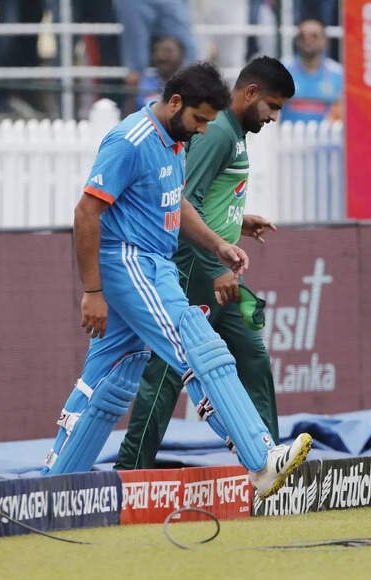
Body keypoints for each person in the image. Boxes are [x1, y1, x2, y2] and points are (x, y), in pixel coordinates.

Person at [41, 62, 311, 501]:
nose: (204, 130)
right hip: (132, 262)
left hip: (156, 264)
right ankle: (261, 460)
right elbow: (86, 212)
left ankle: (50, 489)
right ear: (175, 102)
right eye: (200, 119)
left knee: (111, 381)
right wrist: (91, 292)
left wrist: (218, 245)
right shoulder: (131, 140)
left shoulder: (175, 139)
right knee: (200, 347)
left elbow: (176, 203)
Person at [116, 56, 295, 470]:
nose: (273, 117)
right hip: (195, 270)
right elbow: (183, 201)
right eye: (272, 106)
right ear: (251, 93)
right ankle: (130, 470)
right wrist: (215, 268)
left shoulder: (234, 133)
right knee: (167, 372)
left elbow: (208, 199)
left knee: (253, 354)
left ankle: (270, 462)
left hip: (218, 270)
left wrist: (239, 221)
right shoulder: (218, 133)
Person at [280, 18, 343, 123]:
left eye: (314, 36)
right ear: (296, 41)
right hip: (287, 132)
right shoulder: (280, 71)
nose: (308, 40)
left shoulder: (339, 74)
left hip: (328, 132)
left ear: (325, 41)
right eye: (302, 36)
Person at [134, 36, 186, 112]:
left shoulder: (189, 85)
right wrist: (131, 94)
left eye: (169, 51)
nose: (163, 57)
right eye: (159, 51)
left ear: (182, 57)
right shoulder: (143, 82)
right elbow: (130, 114)